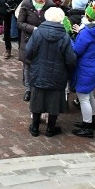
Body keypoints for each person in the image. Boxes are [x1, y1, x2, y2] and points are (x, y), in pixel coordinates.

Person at [24, 7, 76, 137]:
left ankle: (35, 127)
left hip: (39, 71)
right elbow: (70, 58)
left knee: (37, 99)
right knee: (54, 101)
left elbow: (28, 52)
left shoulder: (37, 33)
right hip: (58, 73)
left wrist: (33, 63)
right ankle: (50, 128)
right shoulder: (64, 36)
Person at [70, 0, 95, 138]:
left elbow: (77, 50)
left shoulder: (87, 33)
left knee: (83, 97)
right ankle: (91, 121)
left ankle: (87, 126)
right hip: (93, 67)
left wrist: (72, 39)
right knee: (90, 94)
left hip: (84, 68)